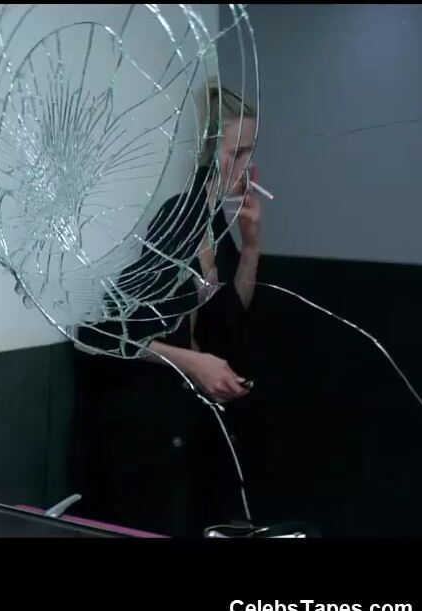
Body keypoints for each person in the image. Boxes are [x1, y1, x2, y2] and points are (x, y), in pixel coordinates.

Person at [68, 81, 264, 538]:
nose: (247, 168)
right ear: (206, 154)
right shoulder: (179, 218)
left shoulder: (214, 223)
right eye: (236, 153)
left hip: (181, 420)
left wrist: (252, 245)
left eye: (250, 153)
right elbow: (99, 334)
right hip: (139, 426)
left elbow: (232, 315)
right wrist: (193, 362)